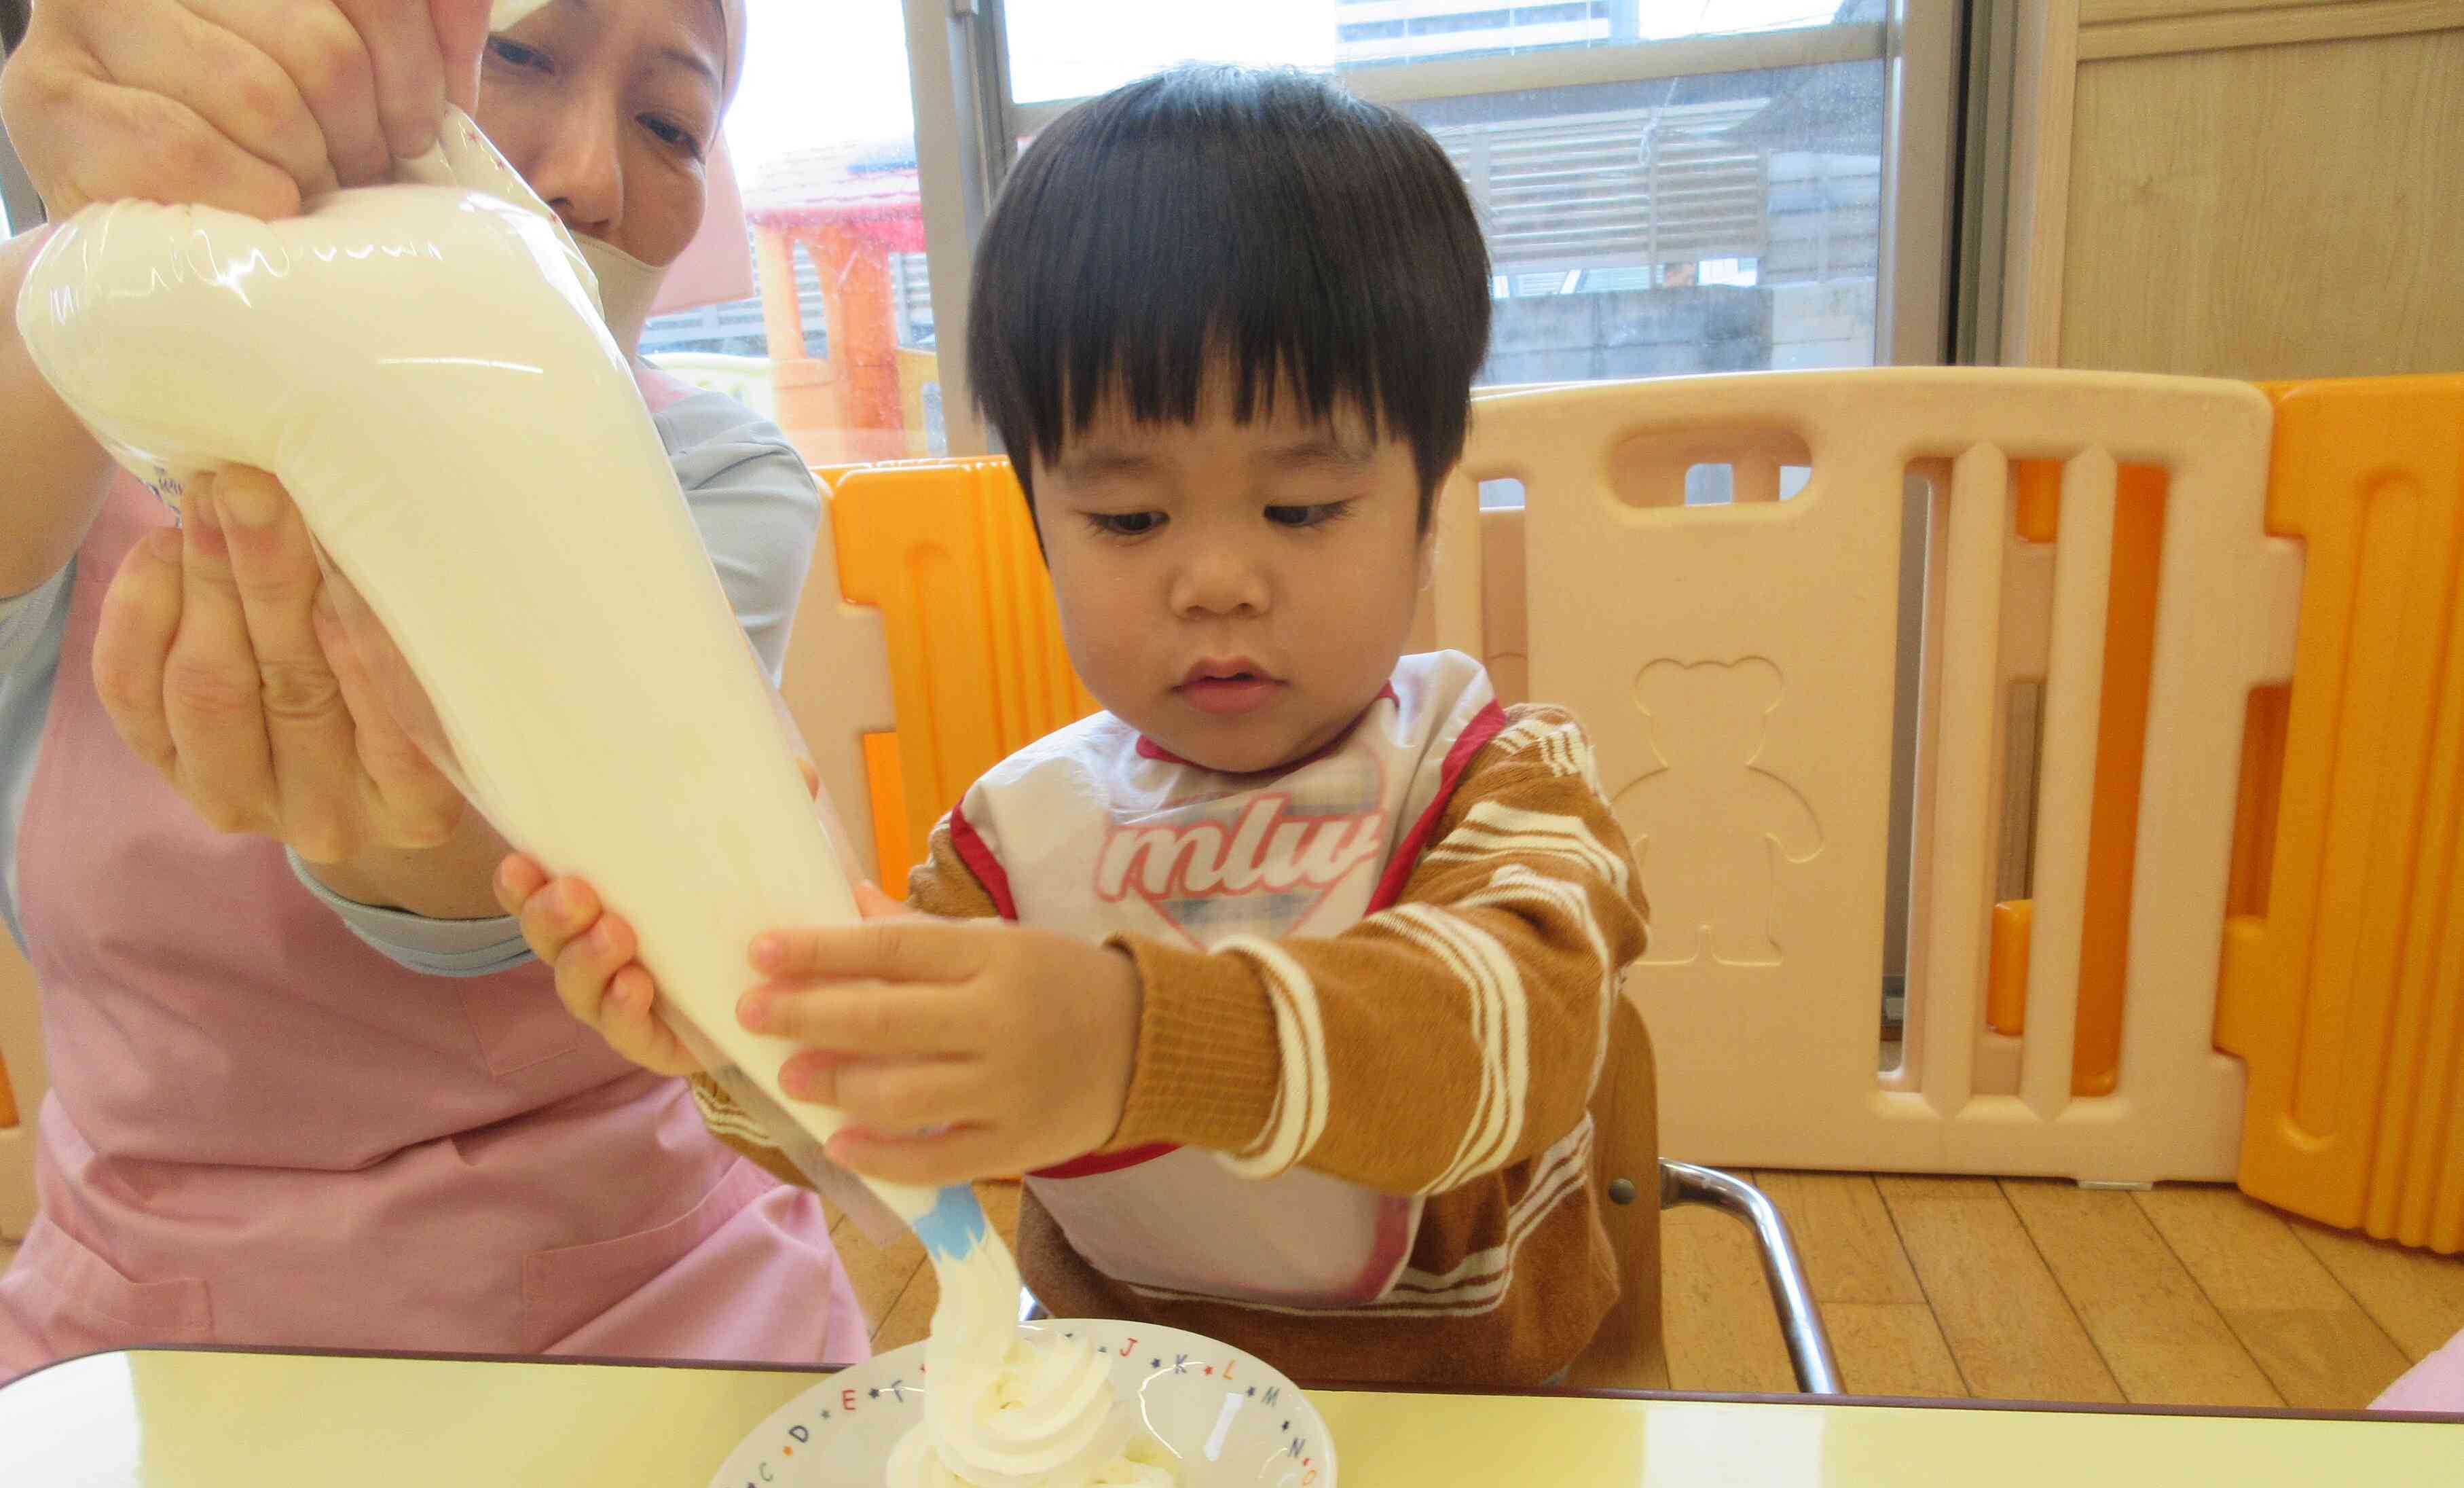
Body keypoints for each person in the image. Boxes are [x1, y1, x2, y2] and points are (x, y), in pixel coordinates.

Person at [505, 65, 1652, 1387]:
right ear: (1041, 526)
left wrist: (1129, 1043)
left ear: (1424, 513)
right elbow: (870, 1108)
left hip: (1482, 1426)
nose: (1215, 579)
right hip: (1128, 1413)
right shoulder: (1009, 846)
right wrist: (729, 1022)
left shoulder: (1499, 775)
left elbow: (1514, 1044)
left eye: (1300, 509)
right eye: (1127, 519)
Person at [0, 0, 866, 1375]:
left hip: (650, 1311)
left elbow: (589, 867)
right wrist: (110, 191)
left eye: (669, 125)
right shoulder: (70, 422)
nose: (585, 171)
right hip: (143, 1350)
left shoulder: (719, 480)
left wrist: (437, 818)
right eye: (520, 54)